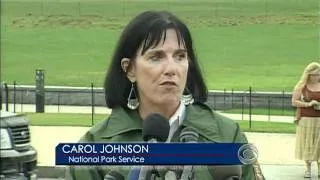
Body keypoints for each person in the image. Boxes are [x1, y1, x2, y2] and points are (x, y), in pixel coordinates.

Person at [65, 10, 264, 180]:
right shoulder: (95, 145)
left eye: (180, 56)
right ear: (129, 69)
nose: (171, 68)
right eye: (156, 57)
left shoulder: (227, 136)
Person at [292, 62, 320, 178]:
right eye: (314, 75)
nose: (316, 77)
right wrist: (308, 104)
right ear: (308, 74)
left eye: (318, 74)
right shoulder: (301, 86)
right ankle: (308, 169)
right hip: (306, 119)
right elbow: (294, 101)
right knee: (307, 144)